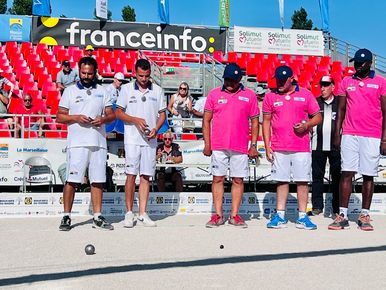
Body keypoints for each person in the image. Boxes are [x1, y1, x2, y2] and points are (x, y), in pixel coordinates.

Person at [328, 48, 386, 231]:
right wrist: (337, 134)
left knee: (368, 175)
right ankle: (342, 215)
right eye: (356, 63)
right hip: (350, 134)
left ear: (370, 63)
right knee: (346, 172)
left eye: (362, 63)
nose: (358, 66)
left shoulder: (381, 82)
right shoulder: (346, 81)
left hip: (372, 135)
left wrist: (384, 139)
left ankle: (364, 215)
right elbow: (341, 111)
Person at [56, 56, 115, 231]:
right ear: (79, 71)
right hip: (77, 143)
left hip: (98, 142)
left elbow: (112, 115)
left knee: (97, 180)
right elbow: (59, 116)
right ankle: (66, 216)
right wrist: (76, 117)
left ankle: (97, 216)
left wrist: (102, 119)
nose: (86, 76)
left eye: (89, 73)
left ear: (95, 72)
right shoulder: (70, 91)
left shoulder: (103, 91)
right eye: (83, 72)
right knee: (72, 180)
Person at [262, 65, 322, 230]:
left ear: (291, 79)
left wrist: (307, 125)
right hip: (279, 146)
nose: (279, 83)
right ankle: (280, 215)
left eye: (283, 80)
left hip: (301, 147)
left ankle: (302, 216)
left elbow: (318, 116)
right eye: (277, 80)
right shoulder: (270, 97)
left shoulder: (305, 94)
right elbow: (266, 122)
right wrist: (267, 146)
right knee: (281, 181)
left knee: (302, 181)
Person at [203, 63, 259, 228]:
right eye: (227, 79)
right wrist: (207, 144)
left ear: (239, 79)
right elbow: (206, 120)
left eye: (233, 80)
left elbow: (255, 122)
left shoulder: (250, 95)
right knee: (218, 178)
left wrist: (253, 145)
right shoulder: (213, 94)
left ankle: (234, 215)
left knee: (238, 180)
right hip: (219, 145)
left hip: (240, 146)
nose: (229, 83)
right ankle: (218, 215)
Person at [116, 59, 167, 228]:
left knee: (146, 176)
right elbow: (118, 113)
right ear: (134, 72)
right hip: (132, 139)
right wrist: (134, 120)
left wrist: (156, 129)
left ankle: (143, 213)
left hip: (150, 140)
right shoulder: (126, 89)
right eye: (140, 75)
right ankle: (129, 213)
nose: (144, 79)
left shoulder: (158, 90)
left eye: (146, 76)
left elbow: (162, 115)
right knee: (131, 175)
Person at [310, 75, 341, 216]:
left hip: (336, 147)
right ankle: (317, 206)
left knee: (337, 178)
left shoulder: (340, 103)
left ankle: (337, 208)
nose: (322, 88)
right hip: (318, 146)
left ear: (333, 87)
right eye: (321, 85)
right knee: (317, 177)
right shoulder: (315, 102)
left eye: (326, 85)